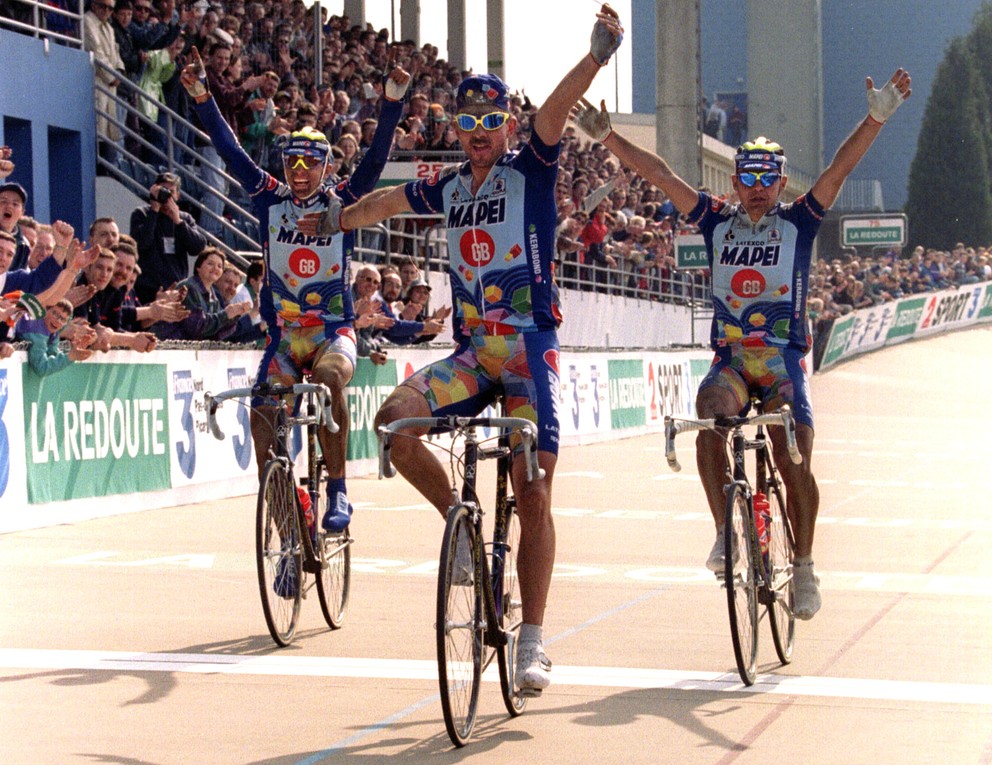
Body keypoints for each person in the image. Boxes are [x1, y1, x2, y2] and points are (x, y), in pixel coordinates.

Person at [303, 5, 623, 695]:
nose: (478, 135)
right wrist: (333, 217)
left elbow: (561, 107)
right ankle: (459, 520)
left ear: (507, 124)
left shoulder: (531, 164)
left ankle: (533, 640)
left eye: (489, 123)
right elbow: (385, 205)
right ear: (458, 128)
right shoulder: (447, 185)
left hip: (530, 351)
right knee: (393, 422)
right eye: (468, 123)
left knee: (532, 489)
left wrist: (596, 55)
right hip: (476, 354)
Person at [571, 68, 912, 620]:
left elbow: (839, 167)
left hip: (781, 363)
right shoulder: (715, 220)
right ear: (735, 183)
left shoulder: (800, 220)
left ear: (780, 184)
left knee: (793, 453)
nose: (756, 189)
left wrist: (875, 117)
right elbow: (660, 174)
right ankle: (724, 534)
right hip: (732, 362)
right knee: (710, 418)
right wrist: (608, 136)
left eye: (766, 180)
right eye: (747, 179)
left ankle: (803, 564)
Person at [180, 47, 411, 535]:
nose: (300, 171)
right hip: (284, 337)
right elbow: (228, 149)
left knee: (329, 380)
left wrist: (391, 103)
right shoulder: (270, 197)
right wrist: (202, 95)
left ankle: (340, 491)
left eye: (310, 162)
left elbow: (374, 160)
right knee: (263, 427)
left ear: (326, 167)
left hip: (332, 331)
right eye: (292, 162)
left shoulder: (342, 199)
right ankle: (289, 529)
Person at [130, 171, 208, 305]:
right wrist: (154, 210)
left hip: (176, 288)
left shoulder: (185, 218)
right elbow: (142, 244)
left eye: (171, 192)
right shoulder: (142, 214)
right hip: (147, 288)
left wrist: (178, 221)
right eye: (163, 190)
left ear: (177, 195)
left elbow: (198, 247)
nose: (167, 196)